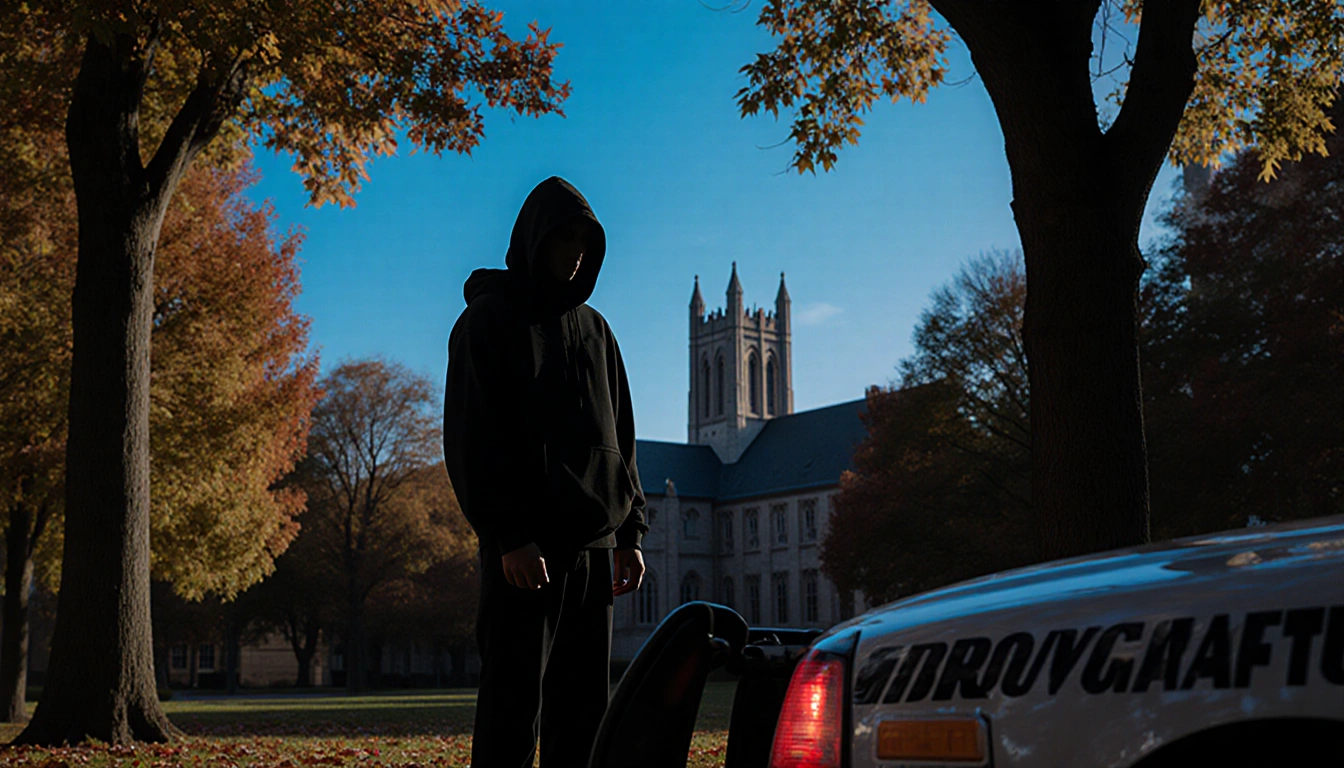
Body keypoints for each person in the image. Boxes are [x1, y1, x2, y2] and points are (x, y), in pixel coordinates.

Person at [442, 176, 649, 768]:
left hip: (594, 553)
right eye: (565, 240)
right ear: (536, 239)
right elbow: (470, 439)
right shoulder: (488, 321)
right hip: (525, 554)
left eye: (587, 243)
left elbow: (622, 439)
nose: (577, 253)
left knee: (582, 719)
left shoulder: (597, 331)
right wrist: (507, 535)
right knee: (511, 714)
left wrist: (629, 533)